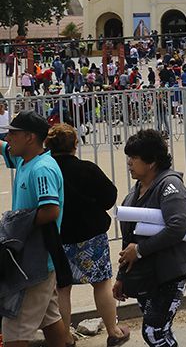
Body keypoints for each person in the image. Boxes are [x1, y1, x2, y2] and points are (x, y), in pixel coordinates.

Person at [47, 124, 130, 347]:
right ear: (75, 144)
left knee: (62, 288)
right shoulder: (86, 168)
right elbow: (109, 196)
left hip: (59, 236)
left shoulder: (46, 170)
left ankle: (65, 338)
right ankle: (113, 331)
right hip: (90, 235)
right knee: (101, 282)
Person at [113, 129, 186, 347]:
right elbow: (129, 238)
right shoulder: (136, 190)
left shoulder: (170, 185)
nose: (129, 163)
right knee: (159, 333)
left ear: (151, 162)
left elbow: (177, 227)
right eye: (128, 158)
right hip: (146, 274)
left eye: (134, 158)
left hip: (168, 273)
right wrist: (121, 277)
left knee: (154, 333)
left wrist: (139, 251)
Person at [0, 111, 70, 347]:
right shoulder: (23, 160)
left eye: (12, 134)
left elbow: (50, 210)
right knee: (50, 319)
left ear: (29, 137)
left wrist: (17, 225)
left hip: (33, 261)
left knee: (15, 328)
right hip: (38, 259)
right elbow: (2, 147)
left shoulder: (42, 169)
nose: (8, 138)